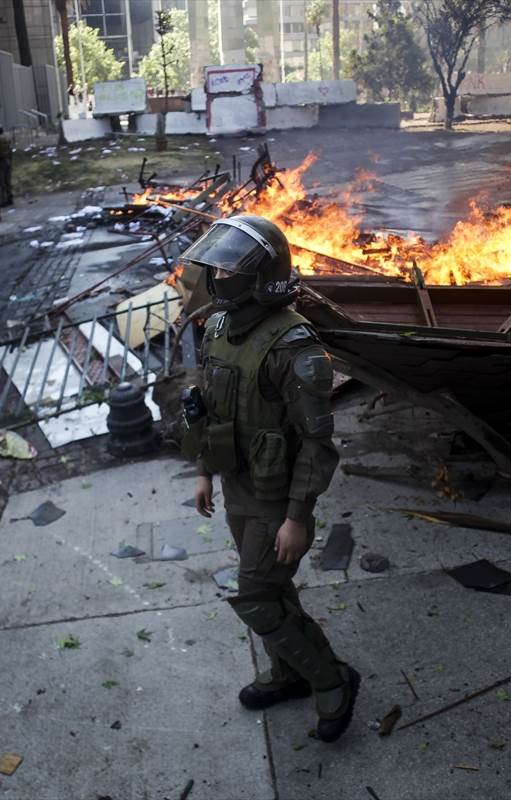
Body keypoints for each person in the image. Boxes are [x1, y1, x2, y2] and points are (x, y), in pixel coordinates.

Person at [180, 215, 359, 743]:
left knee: (257, 596)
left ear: (262, 277)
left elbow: (316, 443)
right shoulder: (218, 327)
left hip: (278, 498)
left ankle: (332, 679)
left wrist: (297, 517)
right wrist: (204, 471)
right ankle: (288, 673)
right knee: (273, 589)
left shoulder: (294, 346)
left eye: (230, 269)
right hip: (239, 484)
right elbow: (212, 410)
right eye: (215, 268)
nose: (218, 278)